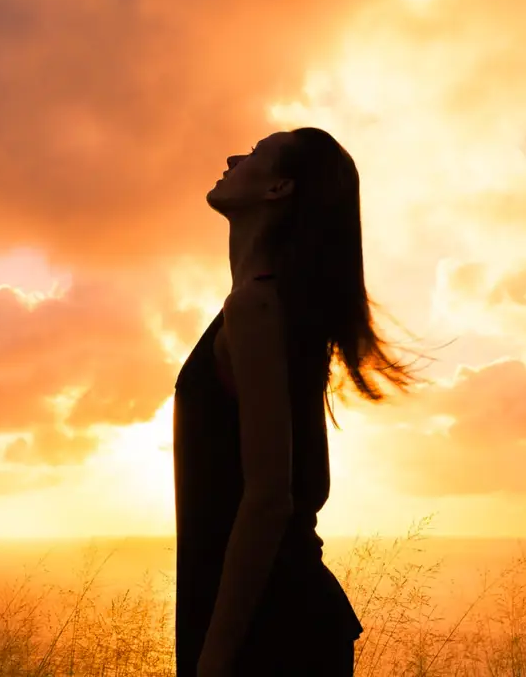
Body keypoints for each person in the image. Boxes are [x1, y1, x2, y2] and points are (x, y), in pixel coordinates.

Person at [173, 128, 417, 676]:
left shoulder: (256, 309)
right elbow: (312, 485)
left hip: (270, 630)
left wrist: (212, 662)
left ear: (279, 188)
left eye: (256, 152)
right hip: (287, 616)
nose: (233, 155)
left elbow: (269, 500)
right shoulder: (275, 306)